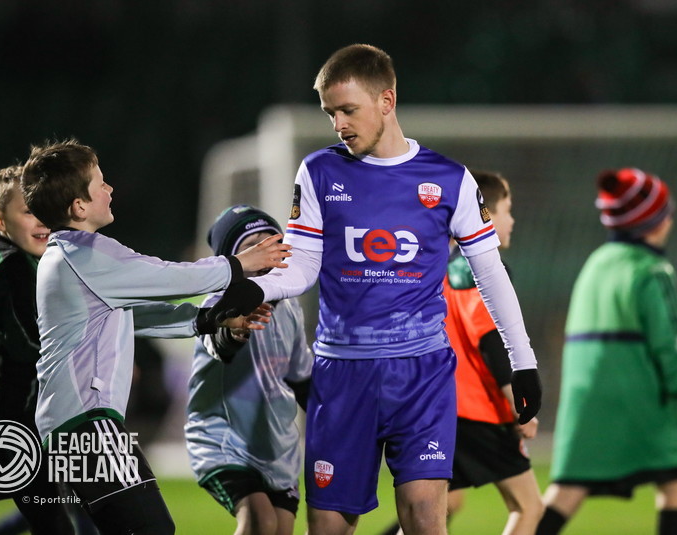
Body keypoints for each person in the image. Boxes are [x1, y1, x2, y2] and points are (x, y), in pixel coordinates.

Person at [212, 44, 542, 535]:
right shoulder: (320, 172)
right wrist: (254, 289)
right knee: (328, 526)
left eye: (349, 110)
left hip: (422, 374)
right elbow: (302, 267)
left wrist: (524, 362)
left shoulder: (449, 180)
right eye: (330, 114)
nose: (339, 124)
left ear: (387, 100)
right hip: (343, 374)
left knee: (427, 519)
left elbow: (490, 274)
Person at [19, 139, 291, 535]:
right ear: (79, 207)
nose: (109, 189)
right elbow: (168, 277)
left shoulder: (63, 258)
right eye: (99, 183)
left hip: (74, 427)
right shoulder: (85, 254)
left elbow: (136, 317)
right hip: (87, 427)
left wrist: (211, 319)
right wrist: (239, 264)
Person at [537, 168, 677, 535]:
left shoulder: (595, 263)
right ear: (656, 221)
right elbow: (671, 346)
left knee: (568, 489)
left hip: (586, 399)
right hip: (638, 397)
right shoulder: (653, 271)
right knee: (674, 480)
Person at [379, 171, 543, 535]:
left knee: (438, 507)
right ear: (486, 213)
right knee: (529, 506)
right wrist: (518, 404)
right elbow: (490, 341)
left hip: (430, 408)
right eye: (507, 210)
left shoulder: (433, 267)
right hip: (473, 413)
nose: (511, 220)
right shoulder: (476, 269)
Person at [184, 204, 313, 535]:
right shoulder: (218, 303)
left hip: (276, 449)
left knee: (280, 528)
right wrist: (232, 332)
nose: (266, 249)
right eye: (252, 244)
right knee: (260, 520)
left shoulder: (290, 306)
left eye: (270, 239)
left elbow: (302, 379)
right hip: (222, 441)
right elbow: (218, 341)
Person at [0, 164, 75, 535]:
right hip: (8, 426)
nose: (42, 219)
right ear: (0, 221)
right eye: (29, 210)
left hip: (29, 419)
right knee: (63, 519)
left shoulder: (32, 259)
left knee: (77, 507)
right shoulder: (11, 267)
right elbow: (33, 339)